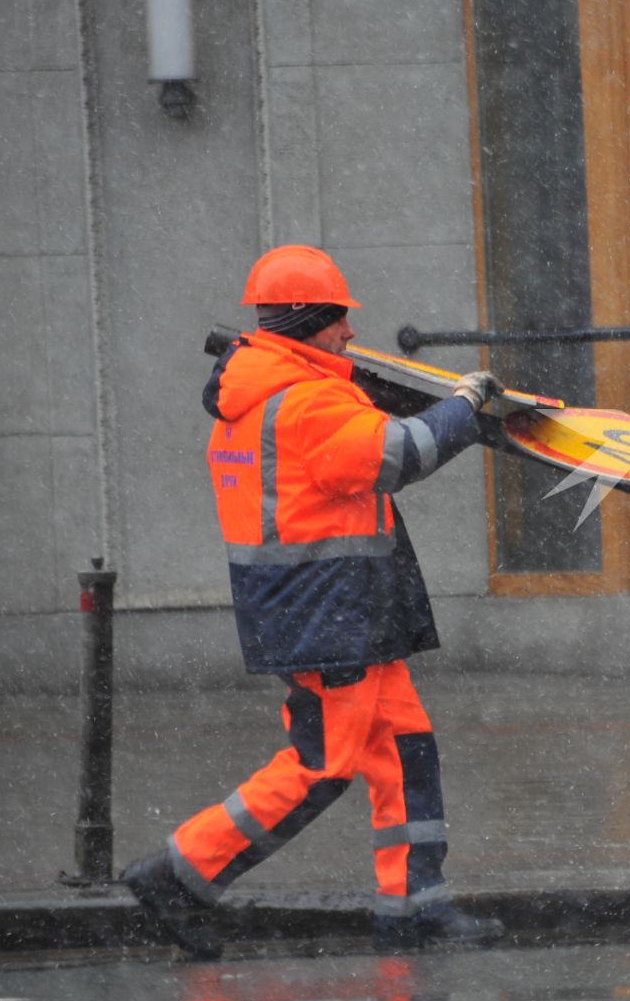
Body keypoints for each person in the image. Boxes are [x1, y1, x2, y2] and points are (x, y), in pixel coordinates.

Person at [120, 245, 508, 958]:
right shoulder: (306, 399)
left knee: (403, 746)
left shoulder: (261, 391)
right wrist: (464, 409)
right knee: (321, 764)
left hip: (327, 610)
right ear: (309, 321)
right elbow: (396, 456)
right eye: (339, 323)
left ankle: (416, 904)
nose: (350, 335)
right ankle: (180, 870)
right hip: (328, 614)